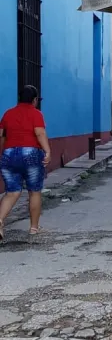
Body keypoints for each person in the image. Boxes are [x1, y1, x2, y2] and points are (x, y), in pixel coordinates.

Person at [0, 85, 51, 239]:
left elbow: (2, 135)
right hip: (31, 153)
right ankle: (34, 228)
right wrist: (47, 151)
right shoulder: (36, 114)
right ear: (34, 100)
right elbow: (39, 132)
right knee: (34, 191)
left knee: (12, 192)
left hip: (9, 153)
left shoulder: (8, 113)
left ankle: (0, 220)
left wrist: (3, 153)